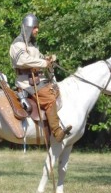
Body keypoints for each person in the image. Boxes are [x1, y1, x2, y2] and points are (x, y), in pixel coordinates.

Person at [9, 13, 71, 142]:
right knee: (49, 98)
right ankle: (57, 132)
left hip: (37, 80)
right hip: (26, 82)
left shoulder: (32, 45)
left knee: (57, 90)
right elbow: (23, 60)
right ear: (28, 28)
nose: (37, 30)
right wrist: (44, 63)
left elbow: (39, 58)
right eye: (35, 27)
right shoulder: (18, 44)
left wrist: (48, 59)